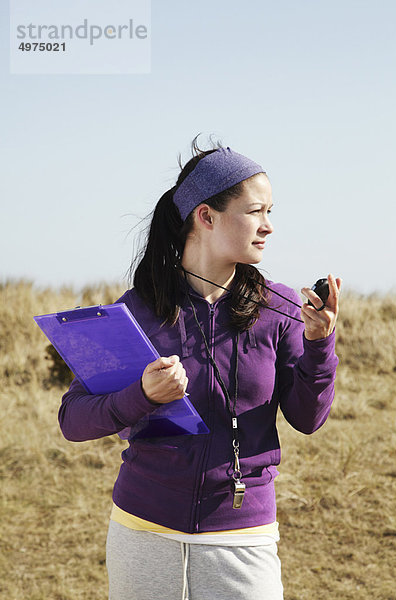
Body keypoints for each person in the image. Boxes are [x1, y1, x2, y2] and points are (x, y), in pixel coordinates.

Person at [58, 136, 342, 600]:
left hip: (243, 540)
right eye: (255, 211)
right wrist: (143, 396)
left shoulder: (283, 308)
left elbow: (309, 419)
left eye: (271, 211)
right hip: (143, 532)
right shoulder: (139, 310)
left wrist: (318, 345)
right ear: (205, 216)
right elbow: (73, 419)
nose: (268, 226)